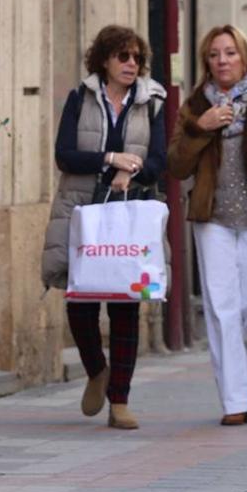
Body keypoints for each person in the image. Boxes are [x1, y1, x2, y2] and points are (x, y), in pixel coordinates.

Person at [41, 24, 167, 430]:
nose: (131, 64)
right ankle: (97, 369)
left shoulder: (152, 102)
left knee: (126, 304)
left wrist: (135, 171)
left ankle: (120, 401)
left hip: (130, 211)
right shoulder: (82, 97)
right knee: (79, 301)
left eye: (136, 58)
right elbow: (65, 155)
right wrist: (111, 158)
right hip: (83, 210)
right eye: (122, 57)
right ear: (105, 61)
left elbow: (160, 160)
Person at [168, 25, 247, 425]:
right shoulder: (194, 106)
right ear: (206, 61)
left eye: (230, 53)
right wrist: (199, 130)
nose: (222, 61)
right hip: (212, 218)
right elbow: (176, 165)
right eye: (215, 55)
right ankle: (234, 402)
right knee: (222, 311)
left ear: (244, 57)